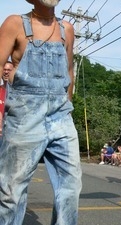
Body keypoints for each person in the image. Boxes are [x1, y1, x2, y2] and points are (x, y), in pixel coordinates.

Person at [0, 1, 82, 224]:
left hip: (61, 116)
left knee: (71, 187)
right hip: (24, 116)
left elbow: (68, 71)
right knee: (11, 193)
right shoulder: (15, 24)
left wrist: (67, 106)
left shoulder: (67, 29)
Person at [0, 61, 13, 140]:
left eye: (9, 70)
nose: (6, 72)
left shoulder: (17, 93)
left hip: (11, 133)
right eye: (4, 70)